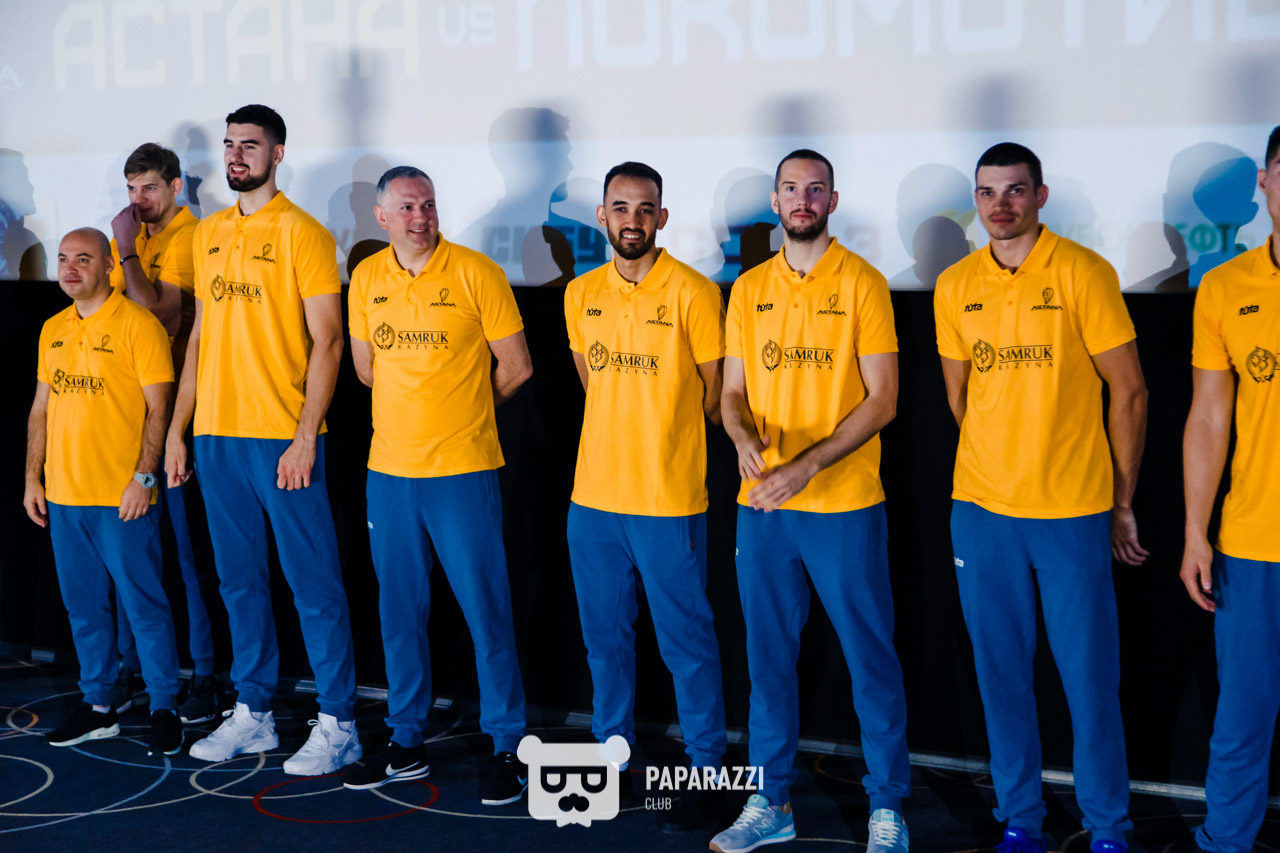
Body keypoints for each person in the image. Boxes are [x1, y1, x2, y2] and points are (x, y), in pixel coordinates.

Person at [934, 142, 1148, 853]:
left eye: (1016, 190)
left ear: (1040, 195)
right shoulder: (955, 283)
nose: (1001, 205)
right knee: (1000, 677)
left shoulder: (1084, 271)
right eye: (988, 192)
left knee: (1089, 681)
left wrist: (1121, 500)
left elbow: (1130, 391)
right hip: (982, 510)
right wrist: (1003, 454)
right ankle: (1021, 816)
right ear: (977, 200)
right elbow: (961, 398)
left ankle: (1109, 825)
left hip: (1071, 510)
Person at [713, 149, 911, 853]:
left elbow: (883, 400)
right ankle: (771, 800)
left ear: (832, 200)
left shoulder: (863, 282)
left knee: (870, 659)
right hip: (764, 507)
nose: (803, 199)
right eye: (791, 188)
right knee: (767, 661)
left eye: (815, 189)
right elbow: (731, 394)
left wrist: (808, 465)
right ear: (775, 201)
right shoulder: (748, 288)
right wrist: (741, 436)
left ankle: (888, 807)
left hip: (844, 504)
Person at [166, 105, 361, 775]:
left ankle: (339, 721)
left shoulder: (304, 233)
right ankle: (253, 712)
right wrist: (178, 431)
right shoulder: (209, 233)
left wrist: (306, 436)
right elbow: (197, 338)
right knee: (238, 583)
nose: (236, 155)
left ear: (277, 154)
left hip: (282, 435)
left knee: (314, 583)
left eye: (250, 145)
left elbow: (329, 340)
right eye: (229, 144)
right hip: (218, 436)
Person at [342, 166, 531, 803]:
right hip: (390, 473)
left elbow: (517, 367)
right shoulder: (367, 278)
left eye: (427, 205)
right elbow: (367, 370)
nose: (420, 217)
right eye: (407, 207)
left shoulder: (477, 272)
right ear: (382, 218)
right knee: (400, 615)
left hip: (462, 471)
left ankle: (507, 744)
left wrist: (466, 409)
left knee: (486, 612)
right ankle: (406, 741)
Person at [563, 161, 728, 833]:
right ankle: (612, 757)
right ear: (602, 215)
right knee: (604, 642)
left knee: (687, 645)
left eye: (645, 208)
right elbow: (592, 382)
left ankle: (706, 770)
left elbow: (717, 395)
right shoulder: (580, 294)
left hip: (668, 498)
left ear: (662, 217)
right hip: (593, 500)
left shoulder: (694, 292)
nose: (632, 220)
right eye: (620, 207)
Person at [24, 228, 182, 756]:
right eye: (63, 259)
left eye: (83, 259)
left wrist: (145, 477)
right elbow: (41, 410)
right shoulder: (52, 328)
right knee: (84, 609)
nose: (70, 268)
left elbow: (159, 407)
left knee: (144, 605)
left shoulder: (139, 325)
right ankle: (98, 706)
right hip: (65, 496)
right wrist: (32, 477)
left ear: (109, 265)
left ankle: (163, 706)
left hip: (123, 496)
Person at [1179, 125, 1280, 853]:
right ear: (1266, 183)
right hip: (1252, 540)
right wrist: (1195, 531)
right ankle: (1226, 842)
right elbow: (1210, 418)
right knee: (1242, 715)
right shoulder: (1224, 286)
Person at [107, 142, 220, 723]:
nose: (138, 200)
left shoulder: (189, 237)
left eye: (149, 188)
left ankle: (205, 673)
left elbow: (157, 317)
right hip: (129, 408)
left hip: (181, 411)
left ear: (176, 186)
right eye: (131, 189)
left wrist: (126, 250)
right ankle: (135, 666)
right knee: (132, 546)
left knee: (187, 553)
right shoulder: (136, 238)